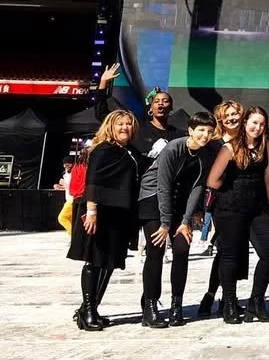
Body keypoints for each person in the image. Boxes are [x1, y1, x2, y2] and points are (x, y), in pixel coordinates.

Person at [136, 112, 219, 328]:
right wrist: (165, 224)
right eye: (201, 130)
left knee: (182, 248)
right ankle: (150, 307)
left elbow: (198, 187)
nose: (205, 135)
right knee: (156, 250)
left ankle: (176, 306)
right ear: (190, 130)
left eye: (209, 131)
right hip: (153, 198)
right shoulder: (174, 148)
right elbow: (163, 186)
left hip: (180, 202)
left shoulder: (206, 153)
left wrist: (185, 221)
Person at [68, 110, 142, 331]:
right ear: (110, 126)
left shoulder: (130, 151)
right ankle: (88, 310)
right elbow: (93, 180)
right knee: (95, 259)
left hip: (119, 213)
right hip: (98, 211)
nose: (124, 128)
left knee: (109, 262)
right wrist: (91, 211)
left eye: (128, 124)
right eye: (120, 124)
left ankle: (88, 310)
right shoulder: (103, 149)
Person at [205, 107, 269, 324]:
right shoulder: (230, 147)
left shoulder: (267, 145)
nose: (258, 128)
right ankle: (229, 303)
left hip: (257, 208)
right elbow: (213, 181)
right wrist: (229, 191)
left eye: (262, 124)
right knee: (230, 256)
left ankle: (256, 301)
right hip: (231, 208)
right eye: (254, 123)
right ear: (245, 122)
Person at [196, 100, 242, 316]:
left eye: (236, 114)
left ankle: (224, 296)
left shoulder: (246, 141)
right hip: (220, 204)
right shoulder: (213, 145)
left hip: (243, 203)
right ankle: (214, 294)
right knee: (225, 249)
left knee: (235, 251)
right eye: (228, 115)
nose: (233, 118)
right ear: (221, 119)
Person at [94, 63, 181, 161]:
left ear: (171, 107)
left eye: (165, 101)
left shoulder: (177, 135)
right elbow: (101, 113)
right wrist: (103, 83)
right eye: (156, 101)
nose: (160, 104)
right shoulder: (137, 127)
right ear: (150, 108)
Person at [56, 155, 75, 235]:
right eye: (65, 164)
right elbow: (67, 188)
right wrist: (60, 187)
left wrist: (64, 183)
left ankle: (74, 236)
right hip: (69, 199)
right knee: (71, 220)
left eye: (68, 164)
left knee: (62, 218)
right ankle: (74, 237)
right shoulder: (66, 173)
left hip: (72, 199)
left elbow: (73, 188)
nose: (66, 166)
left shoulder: (74, 173)